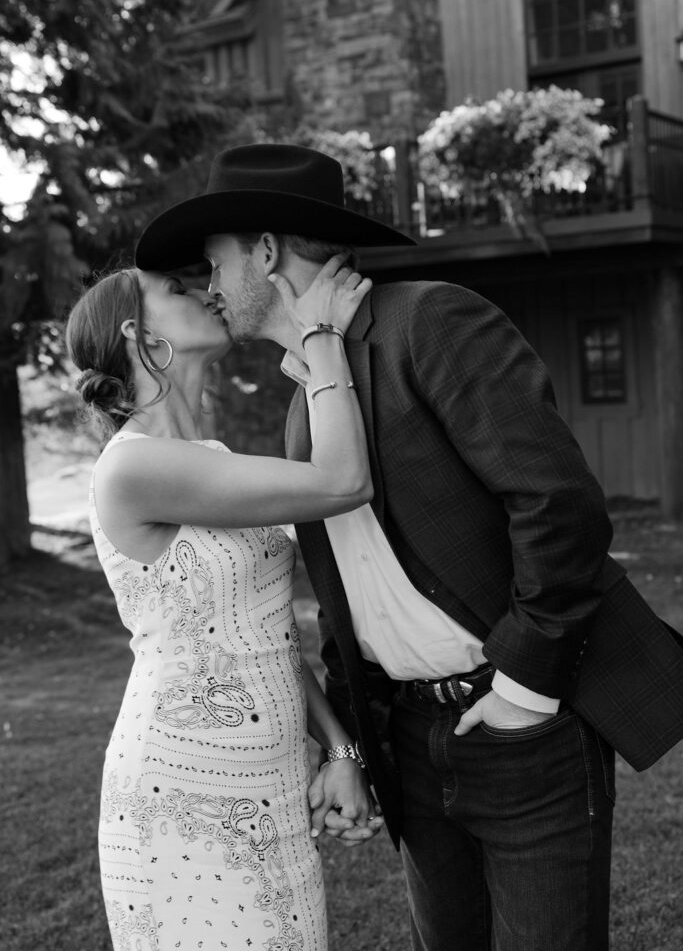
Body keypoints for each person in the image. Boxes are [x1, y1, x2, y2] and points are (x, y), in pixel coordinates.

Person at [134, 143, 683, 951]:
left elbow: (556, 505)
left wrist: (522, 692)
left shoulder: (432, 320)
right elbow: (340, 608)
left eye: (214, 262)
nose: (208, 287)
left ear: (265, 251)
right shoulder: (304, 403)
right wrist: (355, 745)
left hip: (520, 727)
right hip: (411, 751)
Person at [65, 251, 388, 951]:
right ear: (136, 334)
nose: (206, 291)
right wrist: (319, 335)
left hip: (269, 779)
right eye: (176, 288)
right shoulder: (132, 464)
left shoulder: (208, 454)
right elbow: (342, 480)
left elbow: (254, 631)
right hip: (180, 792)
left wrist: (339, 749)